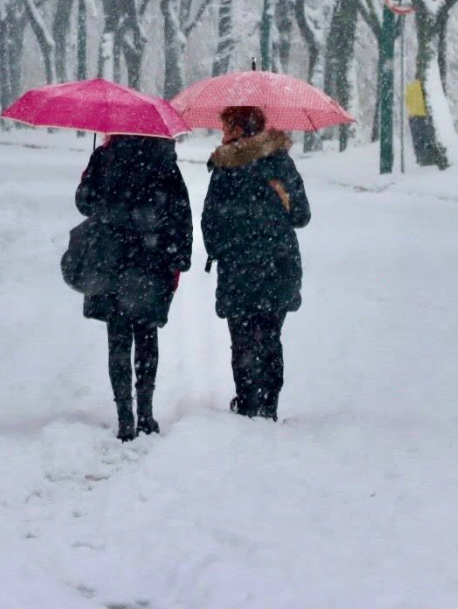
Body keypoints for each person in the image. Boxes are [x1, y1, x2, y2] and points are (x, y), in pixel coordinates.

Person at [75, 135, 192, 441]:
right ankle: (146, 414)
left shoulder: (105, 156)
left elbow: (84, 203)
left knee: (118, 339)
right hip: (151, 261)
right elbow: (181, 212)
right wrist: (180, 256)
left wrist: (89, 180)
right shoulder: (163, 161)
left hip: (111, 261)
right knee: (146, 336)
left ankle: (125, 417)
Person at [201, 106, 310, 422]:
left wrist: (223, 249)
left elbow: (211, 222)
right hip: (279, 263)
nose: (221, 132)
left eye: (225, 126)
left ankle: (248, 402)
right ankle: (269, 404)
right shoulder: (281, 163)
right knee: (270, 335)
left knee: (244, 338)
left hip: (238, 268)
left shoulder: (225, 167)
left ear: (236, 128)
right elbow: (301, 216)